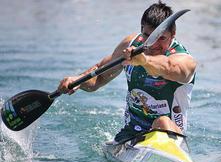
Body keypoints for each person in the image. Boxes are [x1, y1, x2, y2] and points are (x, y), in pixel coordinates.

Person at [57, 1, 196, 143]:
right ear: (141, 30)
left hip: (171, 136)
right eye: (147, 36)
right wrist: (77, 81)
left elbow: (169, 67)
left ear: (173, 35)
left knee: (163, 122)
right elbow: (98, 80)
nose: (153, 45)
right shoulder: (130, 45)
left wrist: (144, 61)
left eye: (161, 38)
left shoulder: (184, 61)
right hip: (131, 134)